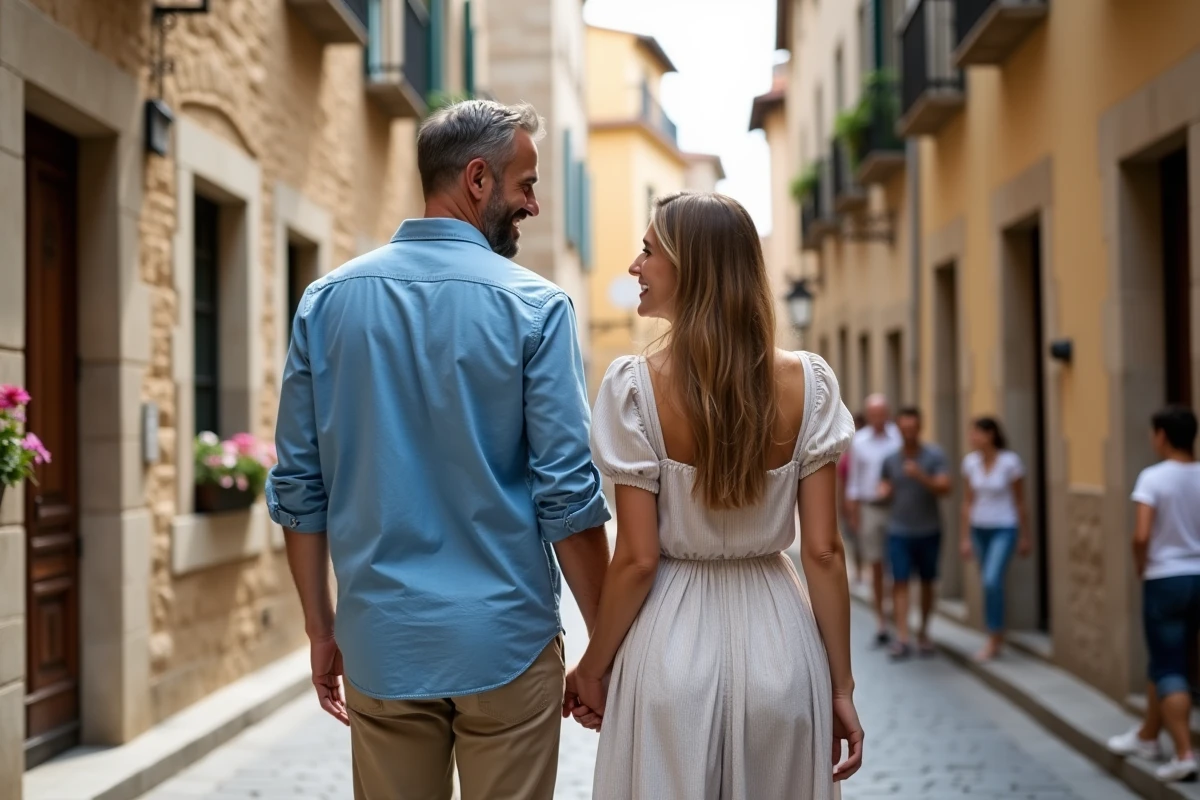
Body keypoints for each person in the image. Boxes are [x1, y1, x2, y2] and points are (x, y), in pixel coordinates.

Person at [266, 100, 613, 800]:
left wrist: (321, 629)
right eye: (526, 185)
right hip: (506, 644)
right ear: (477, 179)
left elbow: (300, 486)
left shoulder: (324, 303)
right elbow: (568, 495)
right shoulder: (537, 308)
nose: (534, 205)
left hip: (381, 643)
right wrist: (607, 645)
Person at [567, 192, 863, 798]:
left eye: (649, 251)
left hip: (667, 648)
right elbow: (824, 552)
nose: (635, 266)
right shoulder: (809, 385)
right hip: (782, 647)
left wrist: (592, 668)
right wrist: (840, 687)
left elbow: (638, 559)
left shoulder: (634, 389)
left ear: (691, 266)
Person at [1107, 406, 1200, 783]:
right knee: (1167, 656)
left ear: (1161, 435)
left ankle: (1184, 753)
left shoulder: (1153, 477)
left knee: (1169, 666)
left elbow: (1141, 534)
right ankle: (1148, 735)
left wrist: (1141, 565)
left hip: (1166, 579)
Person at [877, 407, 950, 659]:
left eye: (912, 428)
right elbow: (884, 485)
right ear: (898, 429)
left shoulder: (934, 456)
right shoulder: (890, 459)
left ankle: (924, 633)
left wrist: (921, 476)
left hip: (929, 529)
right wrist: (884, 491)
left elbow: (945, 487)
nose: (908, 432)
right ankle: (903, 637)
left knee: (928, 581)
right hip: (899, 530)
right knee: (900, 582)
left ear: (920, 427)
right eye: (904, 428)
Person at [960, 416, 1030, 662]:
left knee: (991, 580)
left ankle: (994, 637)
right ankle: (994, 633)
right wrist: (965, 537)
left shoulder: (1010, 463)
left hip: (1004, 527)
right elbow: (968, 502)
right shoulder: (970, 463)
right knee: (989, 582)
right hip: (979, 529)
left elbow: (1020, 501)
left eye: (976, 433)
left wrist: (1025, 536)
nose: (972, 438)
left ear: (990, 435)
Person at [846, 394, 903, 645]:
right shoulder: (859, 441)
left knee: (897, 566)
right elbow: (854, 480)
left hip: (897, 507)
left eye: (882, 414)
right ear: (868, 416)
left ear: (887, 414)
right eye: (874, 415)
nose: (878, 419)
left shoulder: (898, 438)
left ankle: (896, 615)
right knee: (876, 565)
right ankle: (881, 619)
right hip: (870, 508)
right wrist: (853, 513)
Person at [838, 413, 867, 586]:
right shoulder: (847, 456)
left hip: (866, 501)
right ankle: (859, 570)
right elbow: (841, 483)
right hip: (851, 502)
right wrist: (843, 505)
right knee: (854, 539)